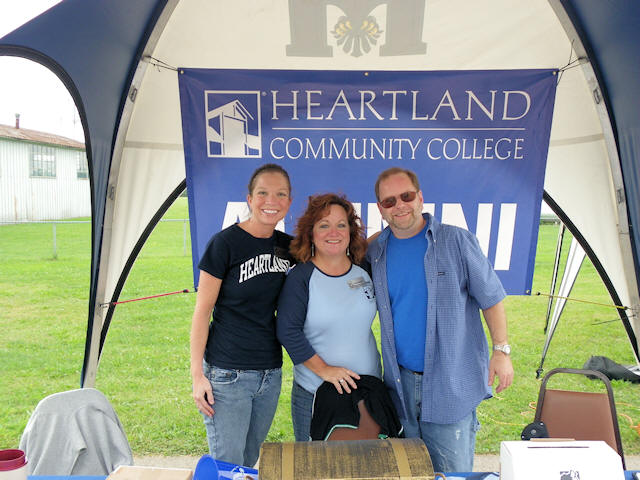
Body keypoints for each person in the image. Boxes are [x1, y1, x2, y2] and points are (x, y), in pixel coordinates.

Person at [366, 167, 514, 473]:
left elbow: (491, 298)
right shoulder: (375, 250)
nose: (400, 205)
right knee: (408, 472)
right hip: (400, 386)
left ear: (420, 197)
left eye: (406, 196)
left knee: (452, 473)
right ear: (381, 208)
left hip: (450, 381)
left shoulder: (457, 240)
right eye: (390, 201)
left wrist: (501, 350)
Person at [189, 163, 294, 467]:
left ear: (289, 202)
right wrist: (197, 376)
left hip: (270, 373)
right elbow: (202, 313)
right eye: (262, 193)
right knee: (228, 464)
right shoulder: (225, 244)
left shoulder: (288, 247)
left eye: (280, 194)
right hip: (227, 374)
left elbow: (333, 253)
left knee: (248, 462)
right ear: (249, 199)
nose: (271, 201)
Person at [276, 193, 382, 441]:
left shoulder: (364, 270)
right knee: (316, 463)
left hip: (368, 392)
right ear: (311, 233)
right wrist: (324, 370)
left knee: (366, 461)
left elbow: (385, 237)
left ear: (351, 231)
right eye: (324, 225)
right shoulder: (301, 277)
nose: (333, 232)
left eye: (341, 225)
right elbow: (287, 331)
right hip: (317, 394)